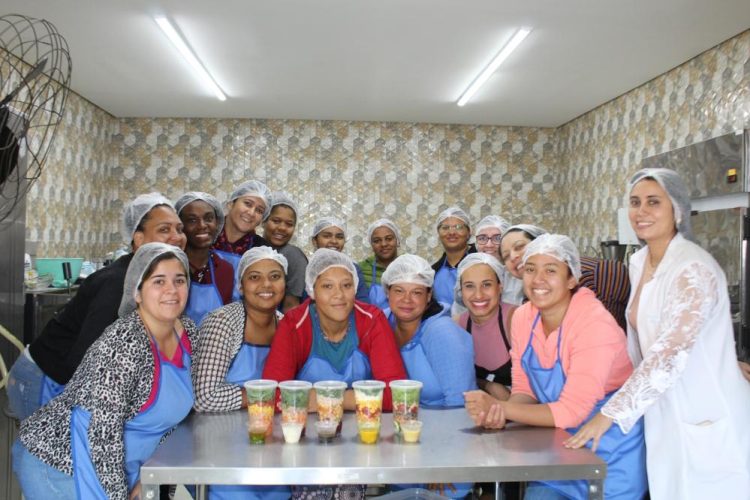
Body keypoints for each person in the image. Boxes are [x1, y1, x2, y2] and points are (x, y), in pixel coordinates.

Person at [566, 168, 750, 499]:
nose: (641, 211)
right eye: (635, 203)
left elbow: (669, 352)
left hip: (704, 409)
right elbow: (653, 339)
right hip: (662, 408)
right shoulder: (639, 262)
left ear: (676, 210)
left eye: (654, 202)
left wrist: (608, 415)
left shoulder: (693, 267)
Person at [465, 234, 647, 500]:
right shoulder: (524, 318)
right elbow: (525, 388)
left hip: (608, 448)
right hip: (556, 446)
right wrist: (501, 415)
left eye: (550, 270)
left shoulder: (594, 324)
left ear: (571, 278)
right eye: (530, 269)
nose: (537, 279)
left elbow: (572, 411)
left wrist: (501, 407)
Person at [13, 243, 197, 500]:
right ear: (138, 292)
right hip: (63, 464)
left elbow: (177, 418)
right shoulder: (125, 343)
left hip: (124, 463)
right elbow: (102, 434)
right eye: (158, 281)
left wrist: (153, 473)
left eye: (180, 280)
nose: (172, 290)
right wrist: (119, 495)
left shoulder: (187, 334)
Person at [7, 193, 186, 420]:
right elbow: (85, 360)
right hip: (45, 379)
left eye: (179, 229)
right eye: (164, 229)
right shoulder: (118, 283)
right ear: (138, 239)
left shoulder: (153, 278)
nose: (177, 237)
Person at [263, 249, 406, 500]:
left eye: (346, 285)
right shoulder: (294, 324)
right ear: (312, 290)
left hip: (361, 435)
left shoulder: (371, 320)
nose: (339, 295)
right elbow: (273, 393)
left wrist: (320, 399)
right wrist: (363, 397)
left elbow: (397, 394)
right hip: (307, 439)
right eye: (327, 286)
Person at [193, 246, 289, 500]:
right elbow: (204, 397)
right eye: (254, 277)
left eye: (275, 276)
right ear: (241, 285)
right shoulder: (223, 322)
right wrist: (267, 397)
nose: (266, 284)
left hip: (271, 449)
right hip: (223, 452)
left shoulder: (285, 325)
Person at [382, 254, 475, 498]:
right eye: (399, 290)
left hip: (448, 449)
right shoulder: (382, 324)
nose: (407, 300)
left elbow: (460, 403)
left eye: (417, 292)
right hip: (404, 445)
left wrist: (443, 465)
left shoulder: (440, 332)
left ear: (429, 296)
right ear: (387, 292)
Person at [500, 224, 631, 329]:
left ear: (542, 240)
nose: (512, 257)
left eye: (519, 247)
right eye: (505, 256)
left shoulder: (601, 273)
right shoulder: (528, 304)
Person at [454, 253, 516, 401]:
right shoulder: (456, 327)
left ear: (500, 286)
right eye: (469, 286)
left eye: (487, 284)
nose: (479, 295)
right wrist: (488, 385)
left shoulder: (516, 319)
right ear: (460, 290)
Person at [175, 191, 235, 326]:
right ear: (180, 226)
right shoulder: (172, 267)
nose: (202, 225)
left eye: (208, 218)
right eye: (192, 220)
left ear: (217, 222)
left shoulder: (225, 270)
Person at [262, 191, 308, 312]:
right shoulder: (251, 248)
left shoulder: (293, 256)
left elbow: (291, 306)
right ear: (264, 221)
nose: (282, 228)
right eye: (276, 221)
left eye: (289, 224)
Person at [212, 180, 271, 271]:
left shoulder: (263, 250)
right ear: (231, 204)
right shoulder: (206, 235)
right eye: (247, 204)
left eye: (259, 210)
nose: (251, 213)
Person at [310, 216, 369, 302]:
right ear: (314, 241)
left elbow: (363, 303)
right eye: (327, 236)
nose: (334, 241)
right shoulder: (307, 269)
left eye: (339, 237)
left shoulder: (353, 269)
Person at [431, 206, 476, 306]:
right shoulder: (433, 272)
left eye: (459, 227)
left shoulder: (481, 264)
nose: (451, 232)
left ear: (469, 232)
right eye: (445, 228)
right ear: (438, 234)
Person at [359, 218, 400, 309]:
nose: (384, 244)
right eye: (377, 241)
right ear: (371, 245)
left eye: (389, 239)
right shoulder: (360, 269)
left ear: (397, 240)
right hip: (371, 322)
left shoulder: (409, 266)